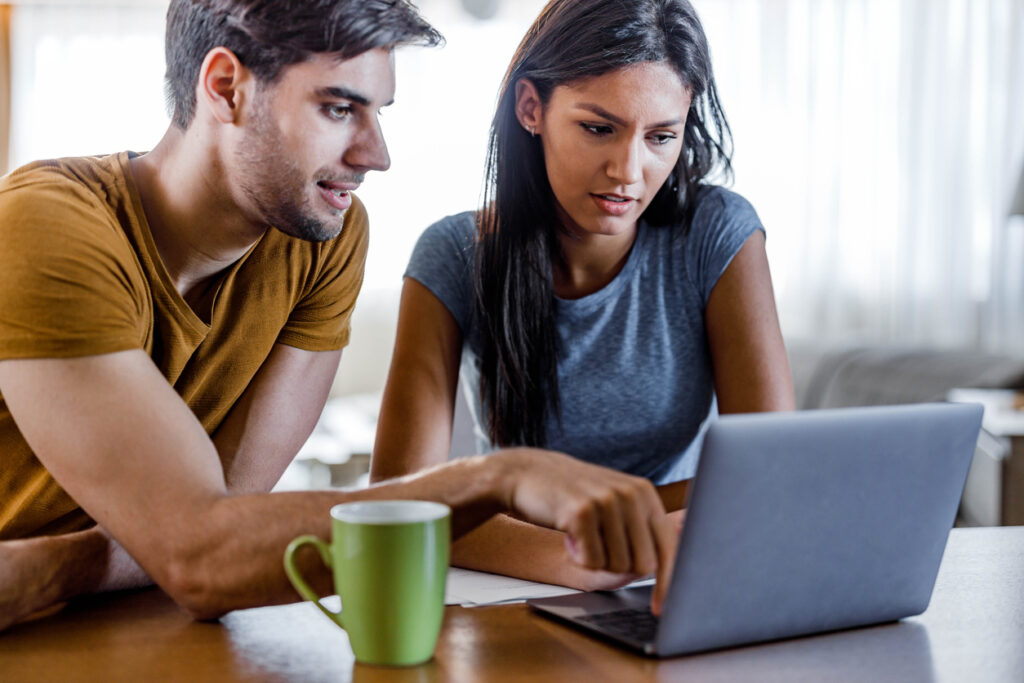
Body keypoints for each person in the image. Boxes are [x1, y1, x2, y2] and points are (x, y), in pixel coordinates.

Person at [0, 0, 679, 632]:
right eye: (338, 109)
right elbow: (206, 557)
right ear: (225, 87)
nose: (375, 154)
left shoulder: (324, 236)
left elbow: (233, 535)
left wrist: (67, 563)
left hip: (111, 618)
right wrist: (499, 476)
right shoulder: (47, 226)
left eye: (378, 112)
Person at [370, 0, 795, 591]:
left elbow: (772, 472)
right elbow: (398, 509)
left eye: (661, 137)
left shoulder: (716, 233)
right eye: (600, 128)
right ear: (530, 107)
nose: (629, 170)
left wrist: (604, 538)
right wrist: (599, 556)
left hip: (677, 576)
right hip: (545, 582)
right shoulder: (453, 256)